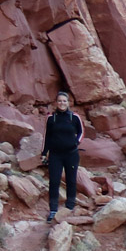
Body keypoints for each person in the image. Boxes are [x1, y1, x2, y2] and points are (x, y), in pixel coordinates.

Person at [43, 92, 83, 222]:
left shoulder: (74, 117)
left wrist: (76, 142)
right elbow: (47, 137)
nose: (62, 103)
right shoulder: (51, 118)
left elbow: (81, 132)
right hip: (55, 155)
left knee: (71, 180)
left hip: (71, 154)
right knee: (54, 181)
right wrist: (44, 153)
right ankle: (53, 210)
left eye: (64, 101)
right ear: (56, 103)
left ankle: (69, 207)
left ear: (68, 103)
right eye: (59, 101)